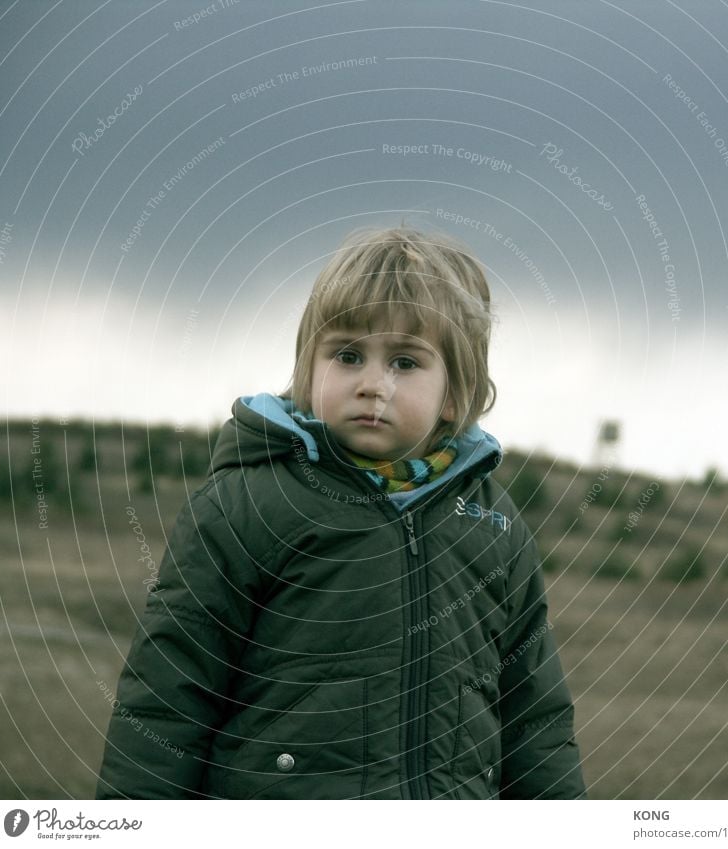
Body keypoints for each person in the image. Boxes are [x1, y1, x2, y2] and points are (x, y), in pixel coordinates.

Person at [95, 226, 586, 800]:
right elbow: (165, 699)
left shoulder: (495, 529)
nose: (372, 385)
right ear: (310, 368)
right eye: (347, 355)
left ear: (455, 393)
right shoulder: (247, 504)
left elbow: (536, 723)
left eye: (405, 362)